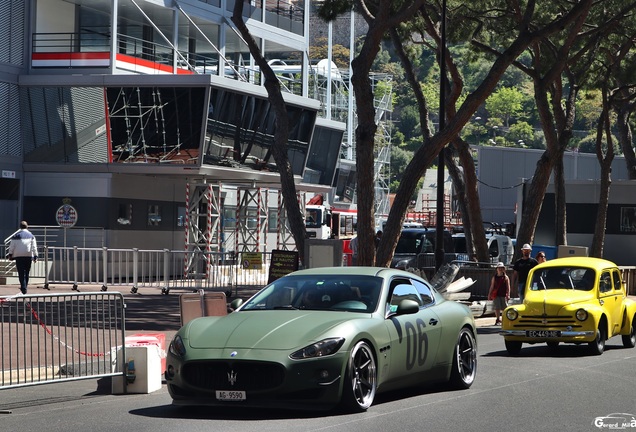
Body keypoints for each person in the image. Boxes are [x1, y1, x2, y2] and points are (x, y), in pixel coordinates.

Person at [7, 221, 39, 295]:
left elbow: (12, 246)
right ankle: (25, 286)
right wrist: (35, 256)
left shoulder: (15, 236)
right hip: (28, 255)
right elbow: (34, 247)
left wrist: (10, 254)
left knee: (21, 272)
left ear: (20, 227)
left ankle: (23, 286)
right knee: (27, 272)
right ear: (27, 226)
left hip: (19, 256)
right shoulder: (31, 235)